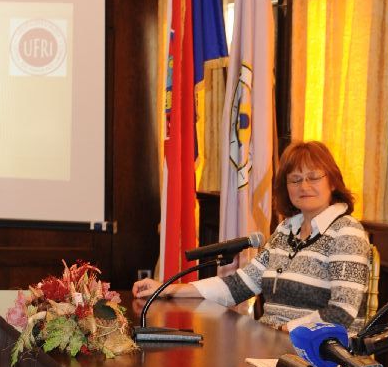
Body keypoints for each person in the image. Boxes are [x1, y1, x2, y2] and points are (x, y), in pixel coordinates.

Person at [132, 140, 371, 333]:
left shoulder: (347, 232)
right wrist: (168, 290)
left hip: (320, 355)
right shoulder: (286, 230)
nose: (304, 186)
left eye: (314, 177)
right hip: (274, 348)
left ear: (332, 182)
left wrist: (286, 331)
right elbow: (240, 285)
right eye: (295, 179)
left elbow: (342, 312)